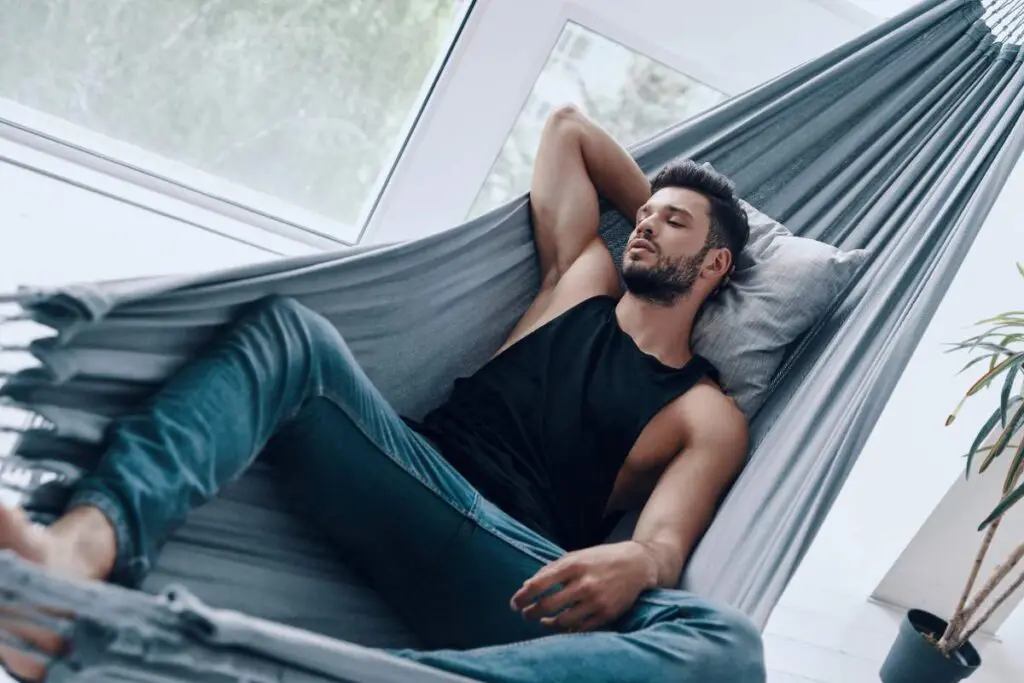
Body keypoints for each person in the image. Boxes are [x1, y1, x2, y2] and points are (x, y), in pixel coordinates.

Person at [0, 105, 765, 683]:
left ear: (716, 264)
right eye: (644, 215)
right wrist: (664, 201)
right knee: (290, 335)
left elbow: (663, 543)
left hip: (518, 571)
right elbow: (567, 130)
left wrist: (635, 562)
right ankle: (76, 554)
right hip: (412, 474)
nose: (644, 226)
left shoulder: (707, 412)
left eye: (674, 225)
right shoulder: (582, 279)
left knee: (727, 646)